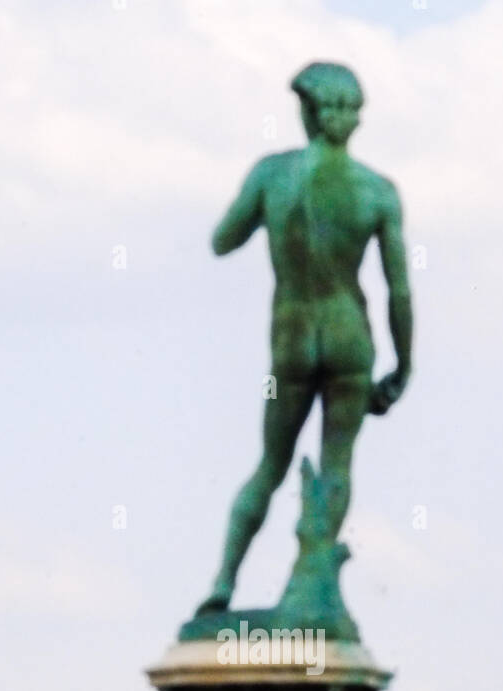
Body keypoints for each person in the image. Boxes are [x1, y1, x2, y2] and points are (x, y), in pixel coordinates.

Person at [196, 61, 413, 613]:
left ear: (307, 113)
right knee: (337, 463)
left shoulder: (273, 173)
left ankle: (224, 581)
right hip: (351, 342)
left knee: (270, 463)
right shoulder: (378, 192)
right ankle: (311, 581)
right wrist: (403, 367)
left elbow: (222, 240)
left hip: (291, 344)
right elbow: (399, 292)